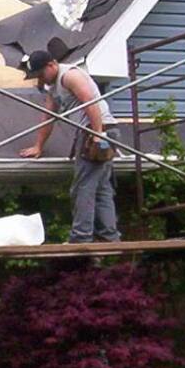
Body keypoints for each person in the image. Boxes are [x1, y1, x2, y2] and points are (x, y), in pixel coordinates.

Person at [17, 37, 120, 244]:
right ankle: (109, 236)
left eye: (41, 74)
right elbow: (48, 116)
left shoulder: (70, 76)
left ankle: (81, 237)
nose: (40, 80)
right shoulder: (53, 88)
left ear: (51, 65)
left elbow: (90, 101)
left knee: (83, 186)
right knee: (101, 187)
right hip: (101, 131)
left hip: (96, 129)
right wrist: (38, 146)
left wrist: (97, 134)